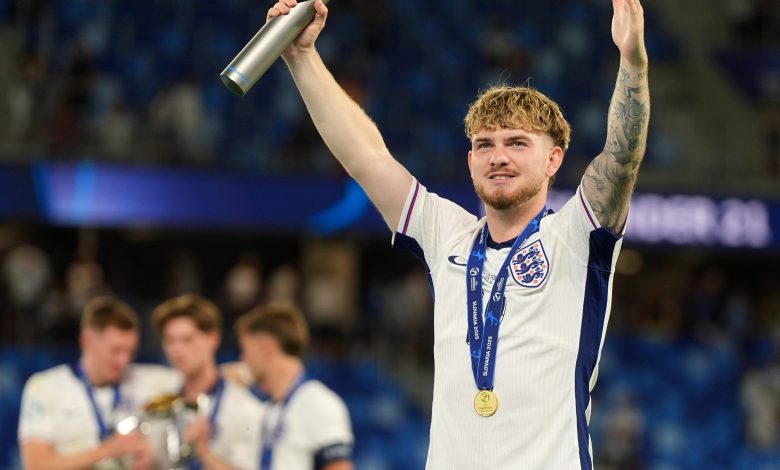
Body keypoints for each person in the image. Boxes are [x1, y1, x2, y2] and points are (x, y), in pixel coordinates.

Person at [267, 0, 650, 468]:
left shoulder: (576, 236)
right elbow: (366, 156)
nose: (498, 157)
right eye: (484, 145)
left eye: (517, 143)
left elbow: (622, 156)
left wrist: (632, 64)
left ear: (554, 160)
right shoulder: (445, 233)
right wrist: (302, 57)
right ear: (470, 161)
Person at [17, 296, 181, 470]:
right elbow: (36, 465)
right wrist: (107, 450)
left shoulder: (152, 379)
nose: (123, 360)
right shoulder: (46, 386)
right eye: (115, 350)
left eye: (130, 351)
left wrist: (149, 458)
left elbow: (201, 381)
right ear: (86, 341)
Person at [152, 294, 265, 470]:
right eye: (170, 340)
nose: (176, 350)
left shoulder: (244, 409)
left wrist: (204, 454)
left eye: (187, 339)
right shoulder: (163, 400)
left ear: (212, 339)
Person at [236, 303, 354, 470]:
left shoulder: (318, 403)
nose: (243, 359)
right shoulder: (271, 410)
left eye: (245, 349)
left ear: (266, 347)